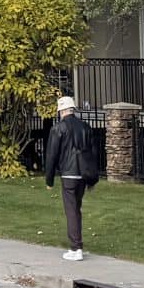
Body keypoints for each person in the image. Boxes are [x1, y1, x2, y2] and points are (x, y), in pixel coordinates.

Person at [40, 93, 103, 261]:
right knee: (76, 209)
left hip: (68, 174)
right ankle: (77, 244)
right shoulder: (86, 127)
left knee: (71, 210)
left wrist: (49, 179)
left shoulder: (58, 128)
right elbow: (93, 152)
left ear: (61, 111)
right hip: (83, 173)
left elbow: (52, 155)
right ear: (73, 109)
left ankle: (76, 248)